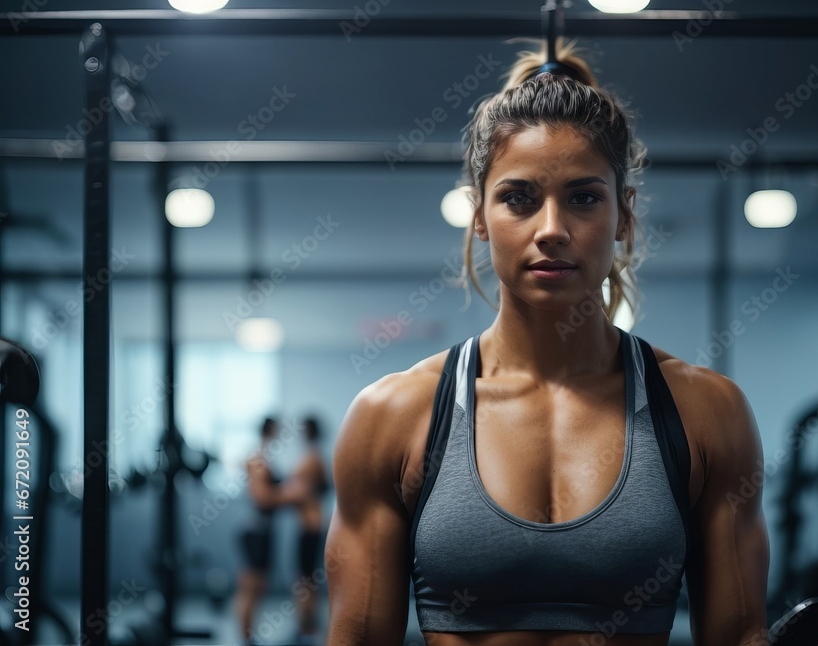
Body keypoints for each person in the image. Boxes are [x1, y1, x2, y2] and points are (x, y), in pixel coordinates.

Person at [325, 43, 770, 645]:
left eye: (584, 197)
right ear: (480, 216)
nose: (553, 229)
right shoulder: (392, 416)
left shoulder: (707, 413)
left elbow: (741, 634)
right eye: (519, 198)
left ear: (624, 216)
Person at [234, 417, 308, 646]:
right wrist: (289, 494)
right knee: (250, 587)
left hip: (263, 532)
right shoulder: (258, 459)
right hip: (255, 531)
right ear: (271, 430)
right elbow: (261, 497)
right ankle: (245, 639)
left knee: (259, 586)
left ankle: (248, 636)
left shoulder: (264, 456)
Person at [291, 416, 330, 643]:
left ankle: (306, 629)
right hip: (312, 525)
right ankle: (307, 627)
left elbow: (298, 492)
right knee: (307, 578)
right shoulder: (317, 458)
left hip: (310, 527)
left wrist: (270, 496)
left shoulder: (310, 459)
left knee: (306, 579)